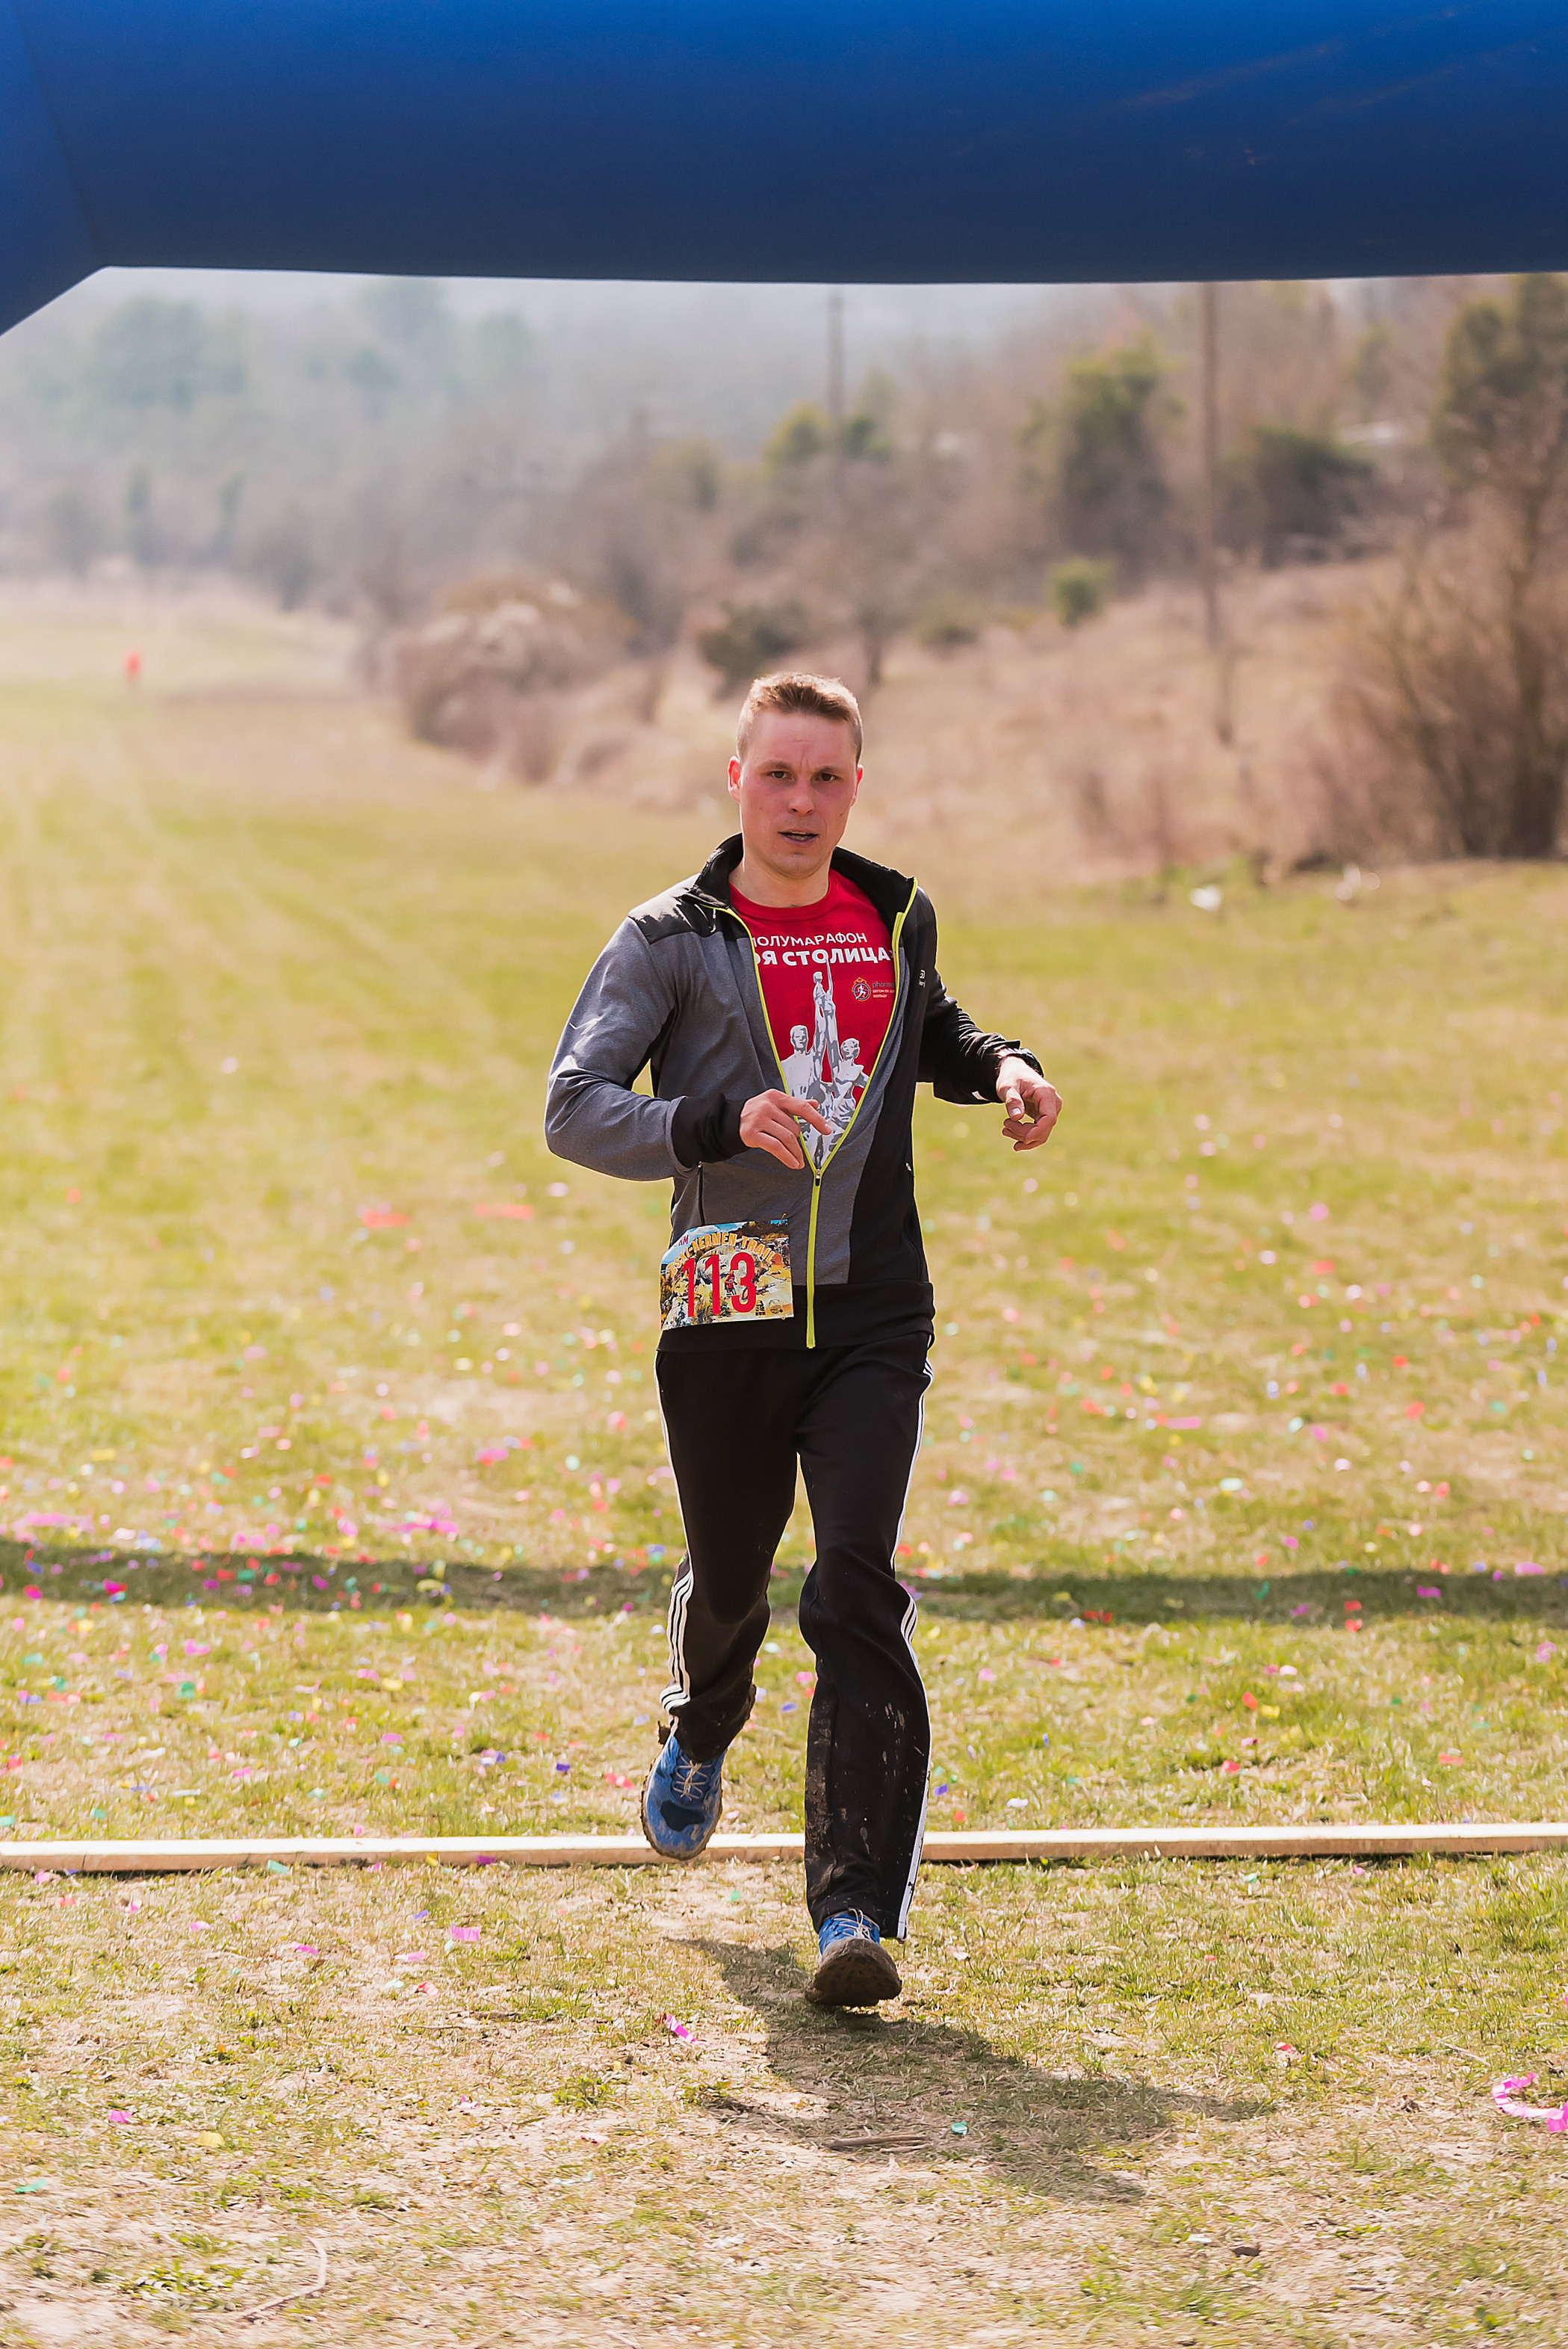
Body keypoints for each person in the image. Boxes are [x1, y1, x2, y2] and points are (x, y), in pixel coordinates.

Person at [545, 672, 1060, 2007]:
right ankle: (704, 1723)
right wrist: (710, 1124)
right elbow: (575, 1106)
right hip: (727, 1312)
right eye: (779, 774)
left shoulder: (891, 911)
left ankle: (852, 1917)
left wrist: (998, 1064)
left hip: (873, 1310)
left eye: (827, 778)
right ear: (736, 779)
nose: (802, 802)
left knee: (852, 1582)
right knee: (733, 1581)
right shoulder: (669, 936)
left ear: (857, 786)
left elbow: (923, 1023)